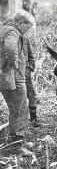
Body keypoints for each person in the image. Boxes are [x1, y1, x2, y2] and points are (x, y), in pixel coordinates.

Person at [0, 9, 35, 156]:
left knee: (18, 108)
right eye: (26, 27)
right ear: (20, 23)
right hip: (12, 78)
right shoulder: (12, 32)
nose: (27, 30)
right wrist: (14, 65)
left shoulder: (6, 29)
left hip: (10, 77)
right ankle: (16, 146)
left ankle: (19, 141)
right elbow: (10, 48)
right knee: (19, 109)